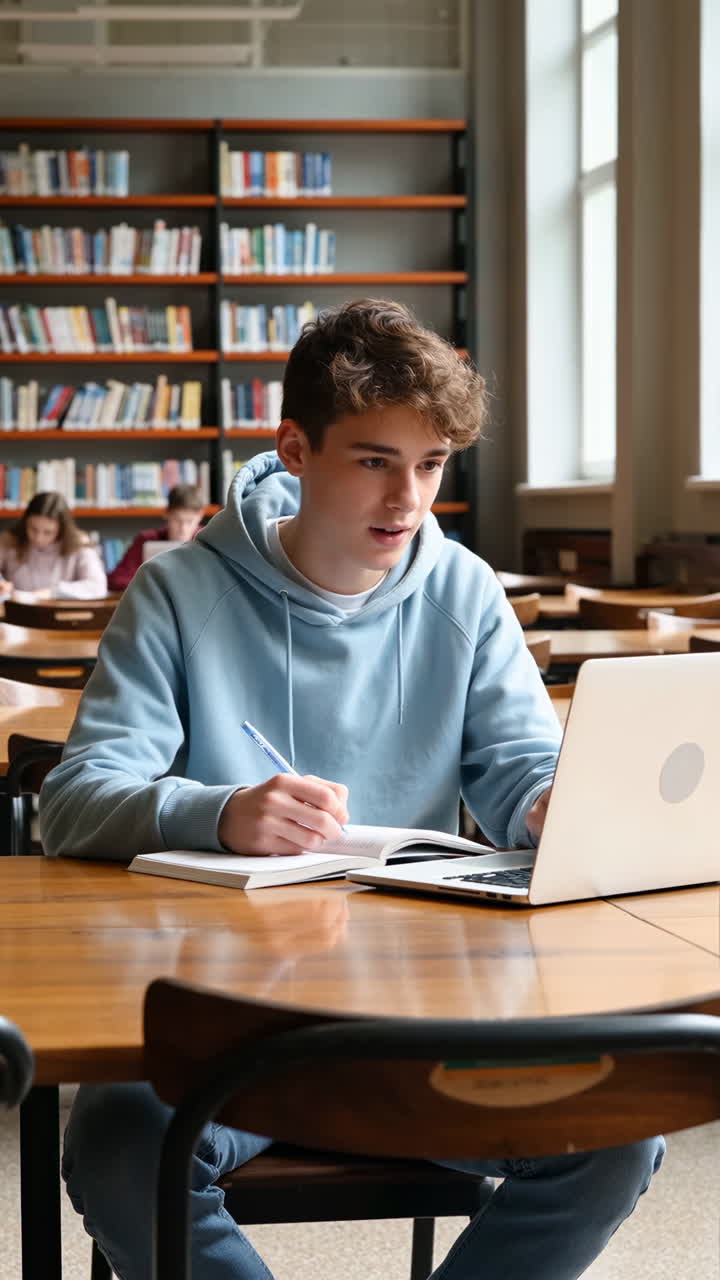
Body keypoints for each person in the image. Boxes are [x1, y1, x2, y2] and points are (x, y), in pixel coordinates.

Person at [40, 299, 664, 1280]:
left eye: (430, 464)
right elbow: (73, 797)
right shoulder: (177, 590)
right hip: (226, 1013)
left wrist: (552, 804)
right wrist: (221, 810)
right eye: (374, 459)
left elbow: (515, 766)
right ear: (296, 446)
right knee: (119, 1143)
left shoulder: (464, 589)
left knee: (623, 1130)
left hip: (421, 1004)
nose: (407, 495)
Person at [0, 490, 107, 601]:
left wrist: (52, 592)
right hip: (16, 613)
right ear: (25, 522)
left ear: (61, 530)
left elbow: (97, 586)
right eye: (33, 529)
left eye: (48, 532)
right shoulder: (9, 540)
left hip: (61, 614)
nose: (38, 538)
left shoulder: (79, 544)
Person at [106, 482, 205, 591]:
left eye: (189, 521)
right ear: (167, 514)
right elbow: (116, 579)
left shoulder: (207, 541)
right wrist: (150, 586)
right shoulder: (147, 540)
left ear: (200, 516)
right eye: (177, 520)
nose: (183, 528)